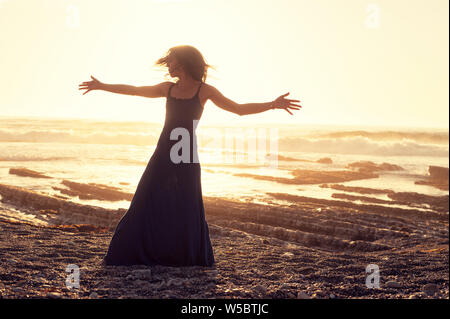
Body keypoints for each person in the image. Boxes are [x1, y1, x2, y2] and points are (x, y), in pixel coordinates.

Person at [78, 45, 301, 267]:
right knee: (145, 198)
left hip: (186, 153)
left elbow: (239, 109)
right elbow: (135, 90)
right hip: (163, 151)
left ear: (182, 62)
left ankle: (185, 256)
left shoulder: (204, 91)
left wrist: (273, 104)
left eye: (171, 60)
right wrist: (101, 86)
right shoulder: (167, 89)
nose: (168, 65)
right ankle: (132, 252)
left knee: (186, 204)